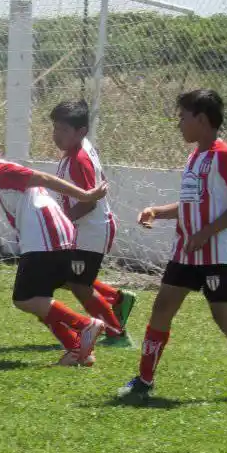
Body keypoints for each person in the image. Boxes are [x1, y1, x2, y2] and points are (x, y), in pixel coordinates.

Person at [118, 90, 227, 402]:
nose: (179, 123)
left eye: (183, 117)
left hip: (215, 254)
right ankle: (143, 379)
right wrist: (158, 212)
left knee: (225, 318)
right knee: (162, 308)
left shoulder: (224, 156)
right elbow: (191, 204)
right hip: (186, 251)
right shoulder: (196, 156)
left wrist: (206, 233)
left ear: (202, 119)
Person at [0, 122, 110, 366]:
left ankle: (85, 325)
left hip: (44, 237)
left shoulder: (1, 170)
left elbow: (44, 178)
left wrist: (85, 195)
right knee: (40, 302)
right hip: (46, 235)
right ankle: (78, 351)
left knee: (24, 299)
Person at [50, 100, 137, 347]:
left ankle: (117, 334)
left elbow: (88, 201)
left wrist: (61, 222)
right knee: (63, 276)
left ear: (81, 132)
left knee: (80, 286)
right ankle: (116, 301)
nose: (57, 135)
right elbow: (99, 183)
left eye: (63, 130)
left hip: (89, 232)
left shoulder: (79, 159)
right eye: (55, 128)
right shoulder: (80, 150)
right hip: (86, 230)